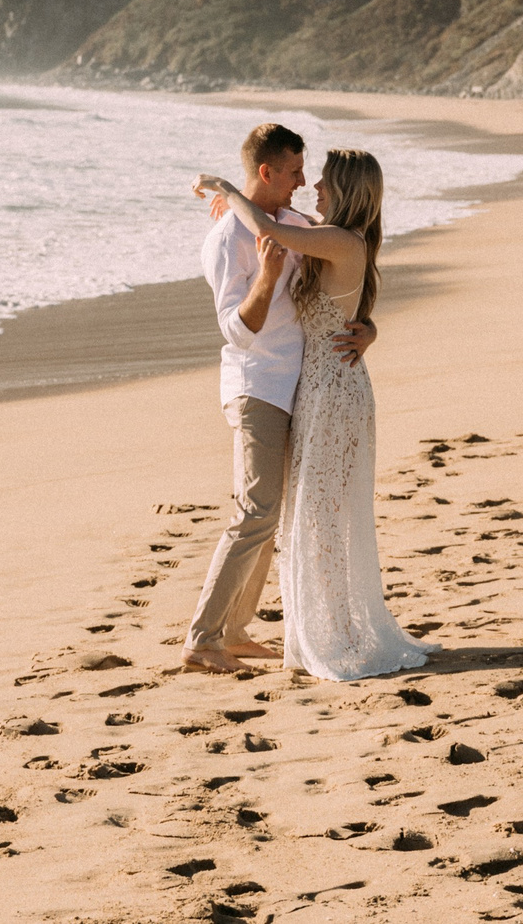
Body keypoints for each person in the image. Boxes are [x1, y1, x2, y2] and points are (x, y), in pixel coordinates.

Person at [193, 145, 434, 681]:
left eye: (322, 179)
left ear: (346, 189)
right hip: (314, 387)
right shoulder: (328, 235)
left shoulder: (336, 239)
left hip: (330, 392)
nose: (312, 185)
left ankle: (328, 632)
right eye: (303, 174)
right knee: (306, 512)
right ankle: (288, 629)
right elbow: (343, 304)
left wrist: (228, 191)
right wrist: (369, 328)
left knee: (319, 515)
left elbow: (274, 232)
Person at [180, 123, 375, 674]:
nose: (303, 181)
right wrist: (266, 277)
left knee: (270, 516)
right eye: (293, 172)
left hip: (300, 389)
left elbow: (347, 274)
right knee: (255, 513)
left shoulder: (290, 223)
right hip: (256, 389)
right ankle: (203, 639)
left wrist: (369, 328)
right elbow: (237, 331)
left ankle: (236, 629)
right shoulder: (225, 240)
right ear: (266, 172)